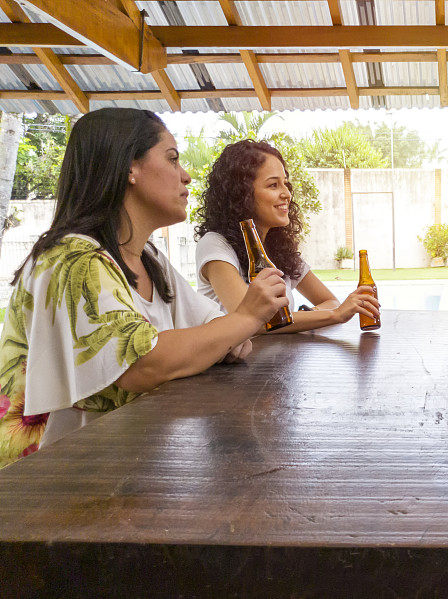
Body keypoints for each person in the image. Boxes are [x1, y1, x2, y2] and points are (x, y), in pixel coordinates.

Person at [0, 108, 288, 467]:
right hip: (41, 482)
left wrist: (227, 334)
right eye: (172, 159)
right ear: (129, 168)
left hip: (113, 466)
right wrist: (244, 317)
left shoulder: (147, 256)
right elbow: (141, 364)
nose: (185, 176)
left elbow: (218, 329)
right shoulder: (71, 260)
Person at [194, 140, 380, 332]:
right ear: (241, 195)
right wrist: (335, 315)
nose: (286, 194)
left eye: (285, 184)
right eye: (273, 185)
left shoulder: (277, 249)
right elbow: (254, 320)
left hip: (277, 359)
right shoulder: (215, 245)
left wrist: (308, 315)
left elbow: (329, 300)